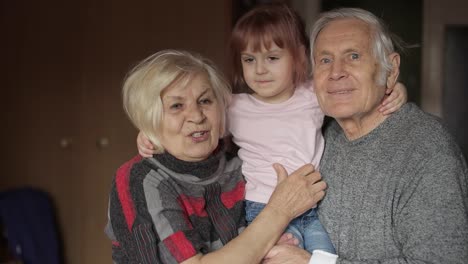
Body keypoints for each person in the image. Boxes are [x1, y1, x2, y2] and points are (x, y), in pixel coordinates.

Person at [137, 3, 407, 258]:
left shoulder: (312, 96)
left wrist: (394, 89)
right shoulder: (233, 106)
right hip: (261, 209)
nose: (260, 70)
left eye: (273, 57)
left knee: (326, 258)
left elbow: (351, 93)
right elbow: (196, 120)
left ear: (299, 57)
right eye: (249, 59)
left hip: (311, 209)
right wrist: (149, 133)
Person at [262, 7, 468, 264]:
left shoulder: (428, 151)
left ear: (391, 71)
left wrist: (312, 263)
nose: (336, 72)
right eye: (325, 60)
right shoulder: (316, 133)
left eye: (354, 56)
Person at [104, 49, 328, 264]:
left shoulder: (238, 164)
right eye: (176, 105)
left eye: (205, 101)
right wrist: (279, 211)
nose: (196, 115)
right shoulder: (142, 179)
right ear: (150, 116)